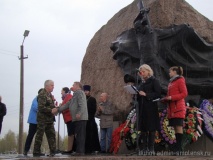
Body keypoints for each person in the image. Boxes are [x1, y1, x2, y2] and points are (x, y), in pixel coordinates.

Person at [52, 81, 88, 156]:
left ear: (78, 86)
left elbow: (82, 104)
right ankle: (78, 150)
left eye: (73, 85)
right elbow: (68, 104)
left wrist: (79, 113)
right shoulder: (75, 94)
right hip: (76, 118)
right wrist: (58, 109)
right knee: (78, 134)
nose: (72, 86)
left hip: (80, 118)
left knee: (80, 135)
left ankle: (80, 151)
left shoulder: (80, 93)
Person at [162, 66, 188, 154]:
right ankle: (177, 148)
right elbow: (170, 95)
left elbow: (184, 93)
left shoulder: (180, 80)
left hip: (178, 108)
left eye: (170, 72)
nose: (169, 73)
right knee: (175, 128)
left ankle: (179, 148)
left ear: (175, 72)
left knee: (178, 127)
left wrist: (172, 97)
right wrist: (165, 99)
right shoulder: (171, 83)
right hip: (172, 109)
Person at [137, 64, 161, 154]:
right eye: (141, 72)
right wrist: (136, 94)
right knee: (143, 129)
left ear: (148, 71)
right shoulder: (141, 83)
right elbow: (139, 94)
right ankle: (143, 148)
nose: (142, 73)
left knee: (151, 128)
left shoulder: (154, 81)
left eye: (143, 71)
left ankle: (151, 148)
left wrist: (146, 94)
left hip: (151, 108)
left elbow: (158, 93)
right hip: (142, 108)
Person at [33, 80, 56, 157]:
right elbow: (41, 107)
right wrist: (51, 110)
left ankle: (53, 151)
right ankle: (36, 152)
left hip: (49, 119)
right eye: (52, 85)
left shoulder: (49, 95)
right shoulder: (42, 94)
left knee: (52, 135)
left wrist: (55, 108)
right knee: (40, 135)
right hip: (42, 119)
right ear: (47, 86)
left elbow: (50, 105)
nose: (53, 87)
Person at [23, 88, 43, 156]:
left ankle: (37, 150)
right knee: (31, 135)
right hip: (33, 121)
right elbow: (35, 107)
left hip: (39, 121)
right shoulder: (36, 99)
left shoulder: (42, 100)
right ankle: (26, 150)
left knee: (39, 137)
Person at [83, 85, 101, 154]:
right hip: (84, 119)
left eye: (87, 91)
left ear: (89, 91)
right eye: (84, 91)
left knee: (91, 135)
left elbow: (93, 109)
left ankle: (92, 149)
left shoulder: (92, 99)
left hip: (90, 119)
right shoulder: (82, 99)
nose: (85, 92)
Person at [60, 87, 75, 154]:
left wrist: (60, 108)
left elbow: (68, 106)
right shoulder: (66, 97)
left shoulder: (69, 97)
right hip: (67, 118)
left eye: (62, 91)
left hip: (70, 118)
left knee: (71, 133)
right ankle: (70, 149)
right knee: (70, 133)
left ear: (65, 91)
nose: (61, 92)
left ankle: (70, 149)